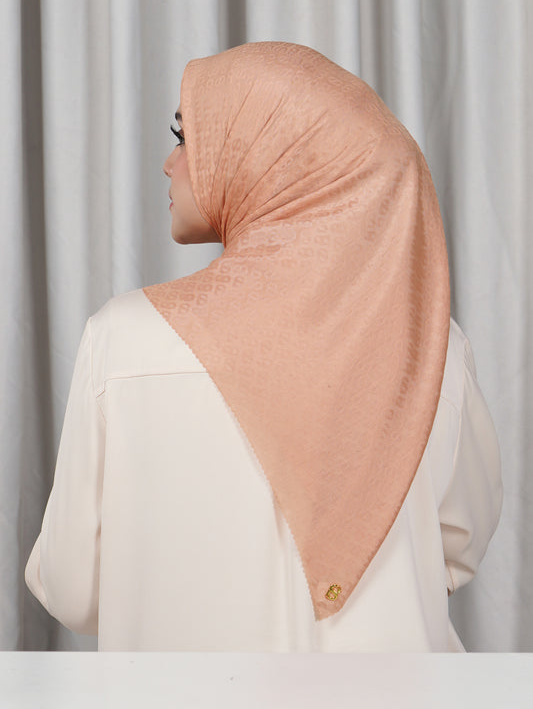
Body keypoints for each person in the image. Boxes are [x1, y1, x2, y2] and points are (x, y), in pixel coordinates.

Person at [25, 41, 502, 651]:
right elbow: (456, 547)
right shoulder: (430, 343)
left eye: (185, 138)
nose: (169, 164)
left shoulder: (122, 338)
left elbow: (71, 589)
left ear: (267, 156)